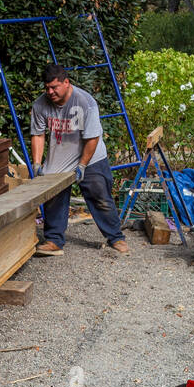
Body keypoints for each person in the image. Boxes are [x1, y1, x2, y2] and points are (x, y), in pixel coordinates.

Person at [30, 63, 129, 255]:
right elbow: (38, 135)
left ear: (66, 83)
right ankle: (54, 240)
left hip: (90, 155)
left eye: (54, 87)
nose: (50, 92)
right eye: (47, 88)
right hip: (61, 154)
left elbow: (92, 138)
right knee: (53, 196)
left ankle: (116, 238)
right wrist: (36, 162)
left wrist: (82, 165)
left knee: (100, 196)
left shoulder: (85, 102)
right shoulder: (40, 105)